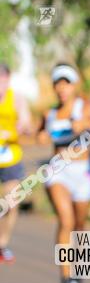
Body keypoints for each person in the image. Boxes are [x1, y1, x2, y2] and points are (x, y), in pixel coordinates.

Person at [37, 63, 90, 283]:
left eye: (66, 83)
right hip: (58, 171)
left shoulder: (87, 108)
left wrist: (87, 127)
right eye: (58, 84)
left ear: (74, 85)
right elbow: (39, 135)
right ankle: (66, 278)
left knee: (79, 226)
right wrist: (41, 136)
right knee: (65, 220)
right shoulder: (50, 114)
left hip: (82, 172)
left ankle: (78, 271)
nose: (62, 88)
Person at [0, 62, 34, 263]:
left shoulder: (17, 100)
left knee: (12, 201)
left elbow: (28, 125)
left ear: (7, 79)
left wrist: (23, 128)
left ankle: (2, 244)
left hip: (10, 157)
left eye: (1, 80)